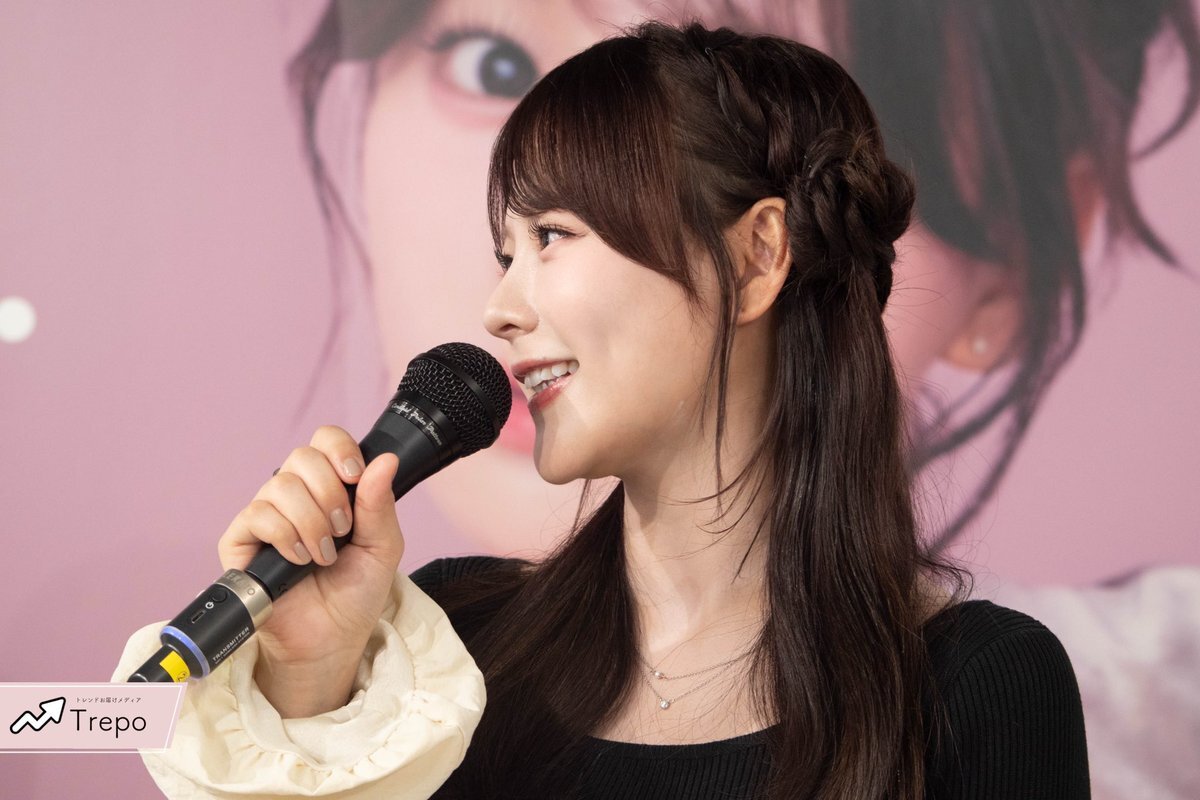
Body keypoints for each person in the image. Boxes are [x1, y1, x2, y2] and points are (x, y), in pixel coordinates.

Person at [118, 21, 1088, 798]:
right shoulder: (451, 650)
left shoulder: (976, 686)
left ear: (757, 256)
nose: (501, 308)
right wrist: (313, 684)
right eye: (507, 253)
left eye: (552, 235)